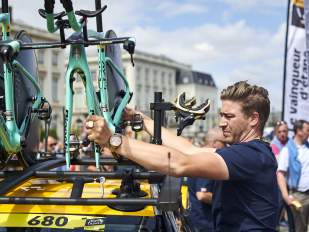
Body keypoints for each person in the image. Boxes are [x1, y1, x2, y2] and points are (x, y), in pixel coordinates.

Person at [85, 81, 279, 231]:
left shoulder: (251, 155)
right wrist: (143, 120)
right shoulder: (250, 153)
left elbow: (179, 164)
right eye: (222, 115)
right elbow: (190, 150)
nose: (220, 123)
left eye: (229, 117)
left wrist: (113, 140)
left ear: (253, 119)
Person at [188, 129, 227, 232]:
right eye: (224, 143)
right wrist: (228, 201)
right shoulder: (207, 160)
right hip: (206, 223)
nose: (226, 147)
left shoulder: (198, 157)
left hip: (199, 220)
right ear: (214, 143)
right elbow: (202, 194)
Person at [277, 120, 309, 232]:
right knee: (300, 228)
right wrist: (286, 197)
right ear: (299, 131)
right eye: (307, 130)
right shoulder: (287, 150)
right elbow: (281, 174)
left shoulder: (307, 147)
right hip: (300, 196)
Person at [270, 121, 294, 231]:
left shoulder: (291, 143)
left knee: (292, 214)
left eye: (284, 131)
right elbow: (281, 163)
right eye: (279, 131)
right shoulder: (273, 145)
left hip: (291, 184)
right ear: (275, 132)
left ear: (288, 131)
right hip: (278, 185)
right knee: (276, 213)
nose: (282, 134)